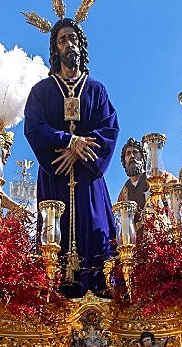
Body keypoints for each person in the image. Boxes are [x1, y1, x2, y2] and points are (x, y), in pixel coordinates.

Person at [24, 17, 120, 296]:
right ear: (56, 49)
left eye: (73, 39)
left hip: (89, 179)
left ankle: (100, 299)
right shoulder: (41, 91)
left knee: (96, 231)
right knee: (55, 238)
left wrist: (79, 154)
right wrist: (69, 141)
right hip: (55, 177)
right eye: (63, 40)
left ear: (82, 45)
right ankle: (55, 300)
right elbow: (34, 126)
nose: (70, 44)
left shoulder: (96, 90)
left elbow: (109, 128)